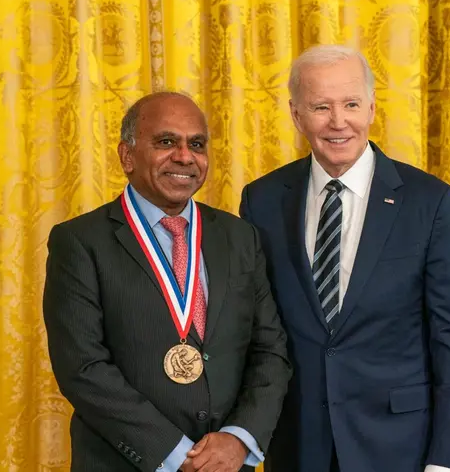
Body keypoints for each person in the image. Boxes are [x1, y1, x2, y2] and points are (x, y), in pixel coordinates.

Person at [239, 45, 450, 472]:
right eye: (321, 107)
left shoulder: (430, 202)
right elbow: (254, 331)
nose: (338, 122)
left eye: (351, 104)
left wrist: (447, 463)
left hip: (400, 448)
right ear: (296, 115)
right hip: (298, 446)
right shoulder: (262, 200)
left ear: (371, 108)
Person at [43, 92, 292, 472]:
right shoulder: (79, 242)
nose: (184, 156)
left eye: (196, 144)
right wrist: (177, 455)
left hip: (227, 464)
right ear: (127, 156)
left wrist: (239, 438)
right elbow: (83, 368)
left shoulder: (241, 237)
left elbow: (270, 350)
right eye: (165, 142)